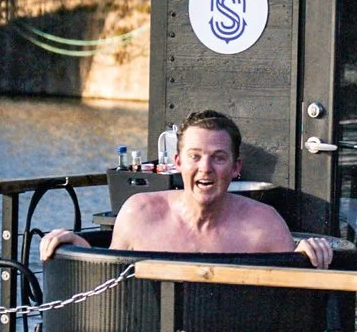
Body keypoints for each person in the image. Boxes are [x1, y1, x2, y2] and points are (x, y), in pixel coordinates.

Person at [40, 110, 334, 266]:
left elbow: (291, 304)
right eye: (195, 157)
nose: (205, 168)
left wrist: (306, 256)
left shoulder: (264, 225)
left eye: (218, 158)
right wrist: (79, 251)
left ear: (236, 167)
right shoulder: (140, 213)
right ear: (178, 163)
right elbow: (110, 282)